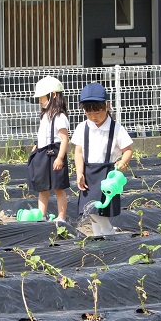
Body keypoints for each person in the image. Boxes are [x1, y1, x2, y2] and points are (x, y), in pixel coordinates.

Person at [71, 83, 133, 236]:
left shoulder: (116, 128)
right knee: (91, 207)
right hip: (89, 172)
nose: (94, 117)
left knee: (100, 208)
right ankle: (101, 235)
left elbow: (128, 150)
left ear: (107, 106)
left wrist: (123, 162)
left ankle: (107, 232)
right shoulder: (82, 127)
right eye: (89, 113)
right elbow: (78, 152)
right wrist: (79, 173)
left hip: (107, 173)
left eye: (97, 113)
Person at [27, 76, 70, 222]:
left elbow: (64, 139)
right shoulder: (45, 115)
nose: (39, 100)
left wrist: (60, 158)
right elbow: (42, 134)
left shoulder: (60, 116)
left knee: (58, 187)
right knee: (42, 187)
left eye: (42, 97)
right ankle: (42, 216)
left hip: (55, 153)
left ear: (53, 95)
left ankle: (61, 217)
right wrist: (36, 147)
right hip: (42, 152)